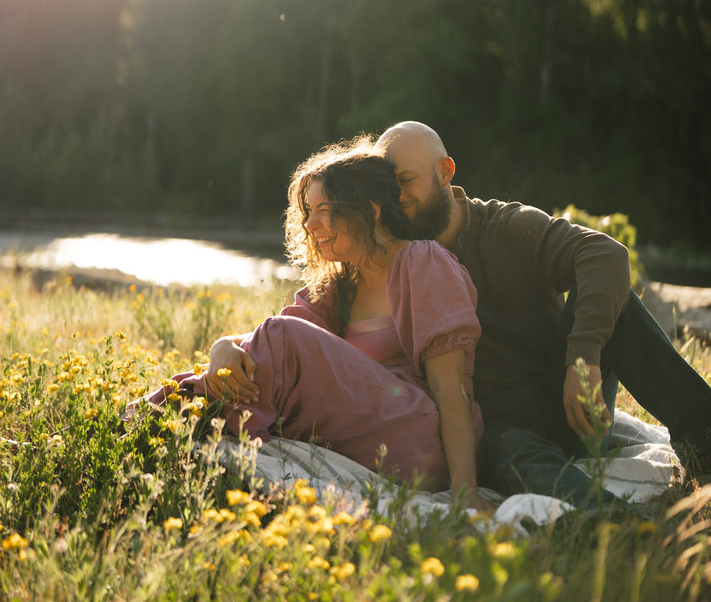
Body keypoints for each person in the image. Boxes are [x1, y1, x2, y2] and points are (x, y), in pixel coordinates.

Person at [0, 143, 491, 512]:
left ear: (372, 210)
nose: (312, 225)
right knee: (239, 363)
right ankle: (49, 458)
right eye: (307, 212)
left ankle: (64, 456)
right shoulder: (339, 288)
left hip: (423, 441)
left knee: (278, 342)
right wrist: (221, 348)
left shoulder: (422, 262)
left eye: (326, 210)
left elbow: (451, 388)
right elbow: (271, 355)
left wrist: (465, 493)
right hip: (369, 435)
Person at [215, 121, 711, 508]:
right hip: (485, 421)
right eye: (387, 189)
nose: (397, 199)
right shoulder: (385, 256)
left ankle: (706, 439)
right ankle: (609, 528)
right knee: (515, 454)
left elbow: (605, 256)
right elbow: (296, 328)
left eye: (406, 182)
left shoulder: (505, 228)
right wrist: (227, 346)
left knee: (615, 302)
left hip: (564, 393)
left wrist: (582, 357)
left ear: (445, 172)